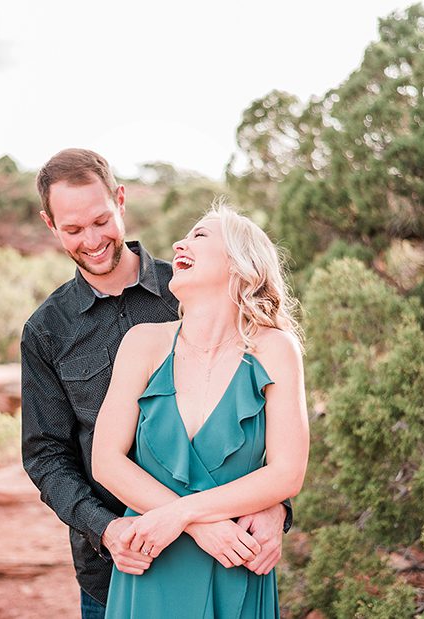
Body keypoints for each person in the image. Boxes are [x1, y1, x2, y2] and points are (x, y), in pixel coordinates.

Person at [20, 149, 291, 619]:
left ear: (121, 200)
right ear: (50, 225)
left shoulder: (195, 287)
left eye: (101, 220)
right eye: (73, 229)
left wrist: (277, 507)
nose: (92, 240)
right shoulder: (47, 330)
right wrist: (107, 529)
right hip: (122, 561)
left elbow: (270, 429)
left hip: (233, 551)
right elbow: (46, 456)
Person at [92, 200, 310, 618]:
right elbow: (106, 460)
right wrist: (199, 526)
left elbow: (288, 473)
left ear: (240, 262)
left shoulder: (275, 350)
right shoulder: (143, 343)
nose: (179, 244)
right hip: (151, 562)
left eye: (200, 235)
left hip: (235, 564)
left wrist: (183, 514)